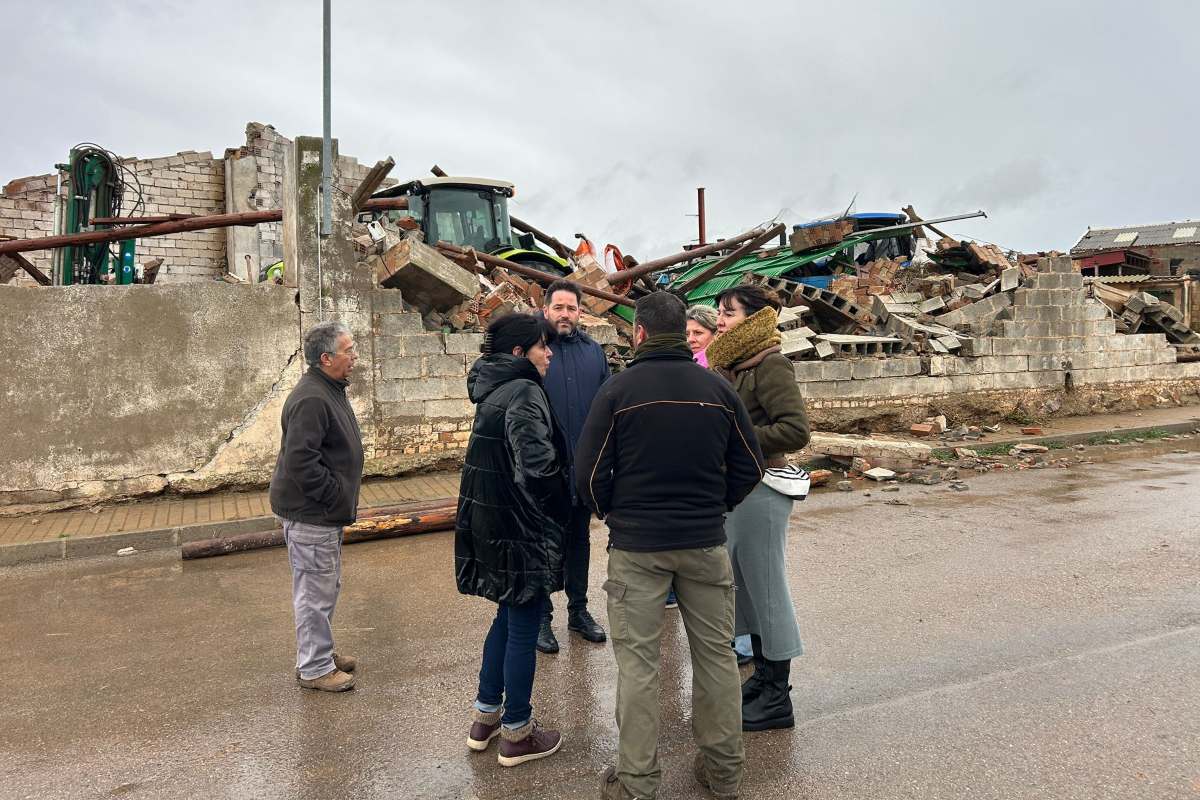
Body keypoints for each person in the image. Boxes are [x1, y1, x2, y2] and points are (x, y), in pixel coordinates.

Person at [575, 292, 765, 800]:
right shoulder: (717, 389)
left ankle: (637, 781)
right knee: (716, 659)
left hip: (638, 547)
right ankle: (723, 773)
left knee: (639, 667)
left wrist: (615, 513)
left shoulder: (617, 391)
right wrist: (713, 505)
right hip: (704, 542)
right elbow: (750, 466)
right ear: (684, 333)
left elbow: (588, 474)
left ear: (638, 333)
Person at [456, 313, 571, 768]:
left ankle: (485, 717)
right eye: (543, 346)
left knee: (505, 618)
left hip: (495, 525)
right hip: (521, 529)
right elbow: (539, 467)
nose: (550, 353)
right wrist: (565, 506)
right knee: (523, 624)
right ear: (520, 353)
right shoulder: (523, 392)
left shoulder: (494, 390)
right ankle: (518, 733)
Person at [705, 284, 811, 732]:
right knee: (746, 588)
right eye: (720, 313)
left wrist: (737, 439)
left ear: (753, 319)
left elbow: (794, 430)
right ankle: (764, 677)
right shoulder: (732, 365)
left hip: (763, 491)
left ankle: (777, 698)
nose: (721, 321)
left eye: (729, 313)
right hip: (740, 492)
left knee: (767, 591)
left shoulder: (771, 363)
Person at [269, 320, 365, 693]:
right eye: (349, 350)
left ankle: (319, 653)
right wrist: (333, 495)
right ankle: (314, 667)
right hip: (313, 514)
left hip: (322, 513)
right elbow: (300, 462)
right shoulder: (312, 397)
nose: (354, 356)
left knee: (324, 586)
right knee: (314, 591)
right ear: (326, 358)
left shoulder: (328, 388)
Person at [536, 279, 610, 653]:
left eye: (572, 308)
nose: (565, 314)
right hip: (542, 473)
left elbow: (606, 408)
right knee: (542, 545)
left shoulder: (593, 353)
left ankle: (578, 611)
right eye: (559, 307)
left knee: (579, 542)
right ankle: (541, 618)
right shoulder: (532, 347)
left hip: (581, 470)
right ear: (546, 308)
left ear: (581, 312)